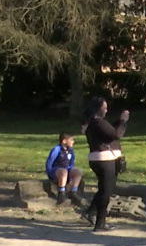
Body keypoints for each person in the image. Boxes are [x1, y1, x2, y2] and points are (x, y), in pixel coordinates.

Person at [81, 97, 129, 232]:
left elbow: (110, 130)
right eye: (104, 107)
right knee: (106, 191)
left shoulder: (95, 123)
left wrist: (119, 121)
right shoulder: (97, 122)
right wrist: (123, 121)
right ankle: (100, 223)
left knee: (104, 189)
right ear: (98, 109)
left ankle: (90, 212)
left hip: (101, 159)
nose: (107, 110)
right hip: (104, 160)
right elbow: (116, 134)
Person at [45, 132, 83, 205]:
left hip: (66, 170)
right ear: (64, 141)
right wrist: (49, 173)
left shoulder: (70, 150)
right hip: (56, 170)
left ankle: (73, 191)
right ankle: (61, 193)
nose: (73, 142)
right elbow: (49, 162)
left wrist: (71, 176)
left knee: (78, 171)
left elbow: (71, 163)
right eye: (71, 140)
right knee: (63, 172)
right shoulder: (57, 149)